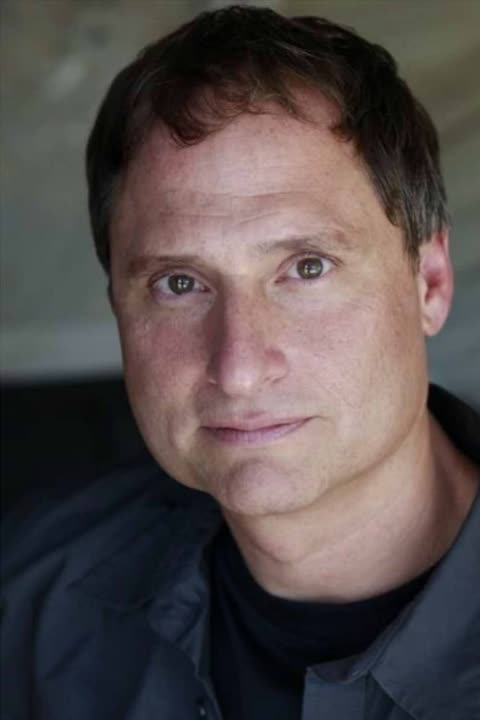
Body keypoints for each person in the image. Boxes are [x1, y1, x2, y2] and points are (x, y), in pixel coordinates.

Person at [2, 6, 479, 719]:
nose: (239, 368)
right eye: (179, 283)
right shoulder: (30, 596)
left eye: (307, 267)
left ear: (429, 283)